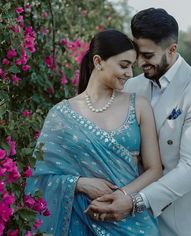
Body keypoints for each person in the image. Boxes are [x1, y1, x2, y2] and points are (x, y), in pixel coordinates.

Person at [86, 8, 191, 236]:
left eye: (148, 56)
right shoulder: (131, 86)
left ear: (172, 50)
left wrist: (136, 201)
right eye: (137, 53)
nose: (139, 62)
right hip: (135, 219)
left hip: (184, 219)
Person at [25, 29, 163, 235]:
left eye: (131, 67)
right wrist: (78, 183)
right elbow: (39, 175)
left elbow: (155, 169)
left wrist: (124, 196)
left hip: (131, 221)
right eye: (124, 65)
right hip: (80, 219)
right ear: (98, 62)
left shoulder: (139, 105)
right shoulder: (61, 115)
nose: (130, 74)